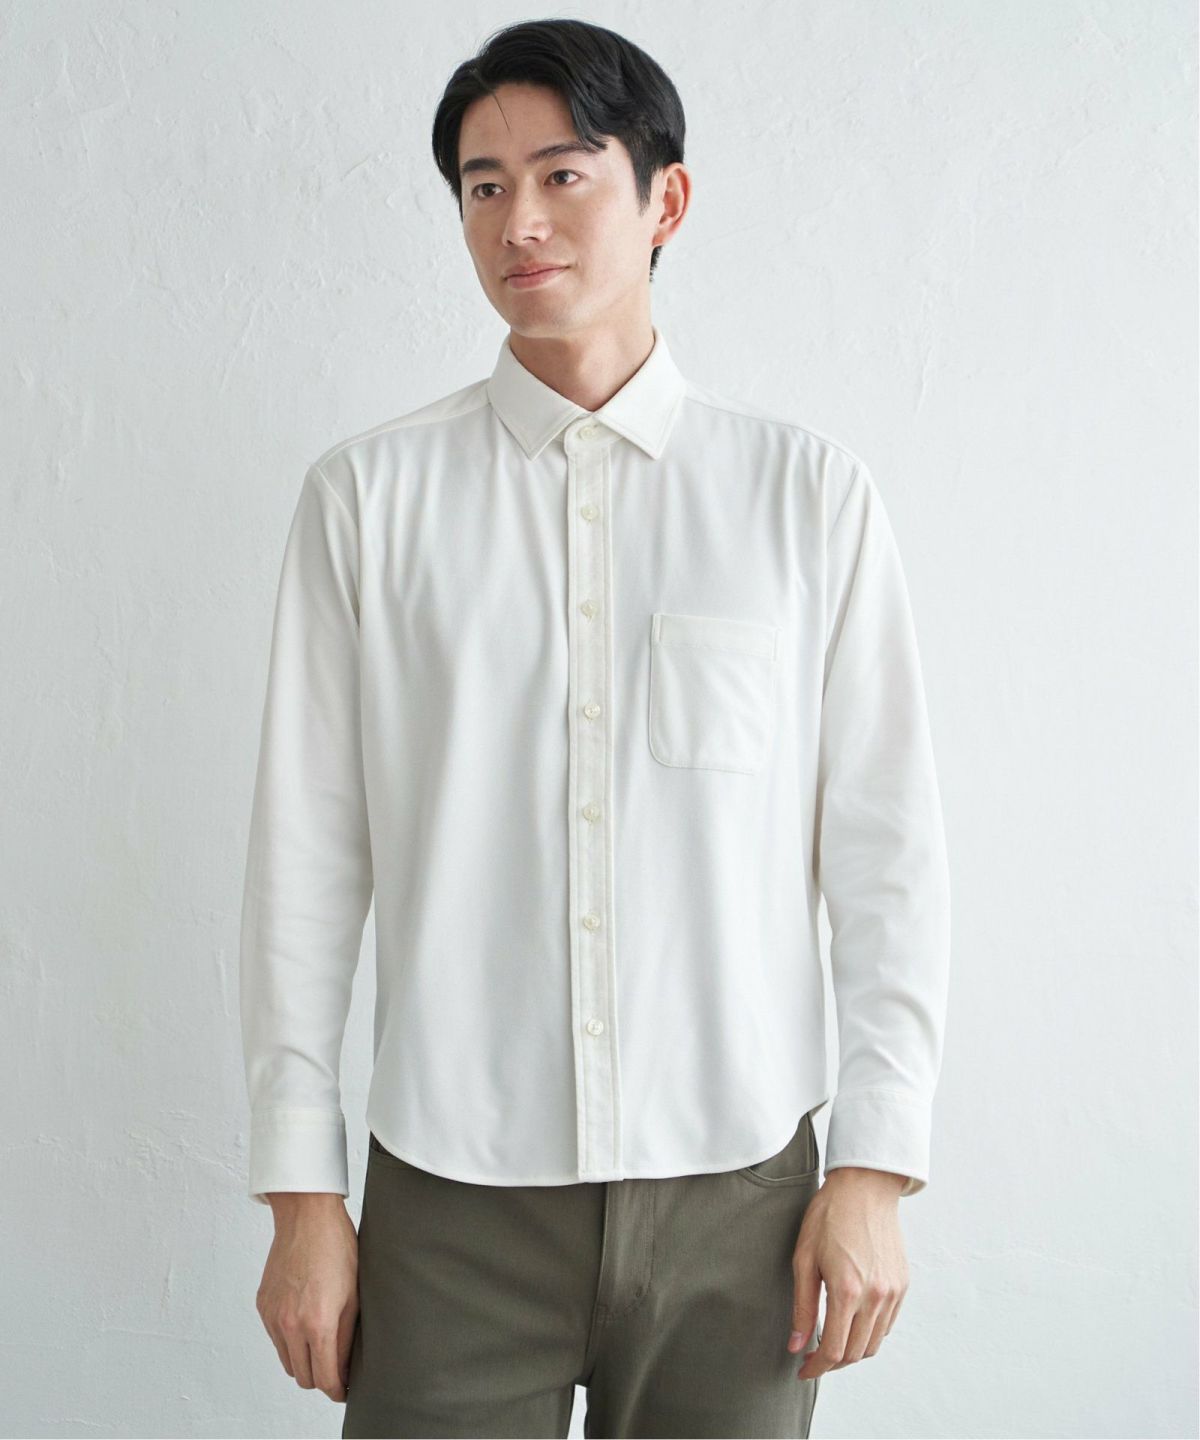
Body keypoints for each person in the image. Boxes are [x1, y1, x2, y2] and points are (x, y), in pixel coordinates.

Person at [238, 17, 951, 1439]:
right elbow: (302, 869)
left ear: (664, 199)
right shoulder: (368, 502)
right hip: (450, 1202)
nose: (519, 221)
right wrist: (303, 1197)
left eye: (564, 175)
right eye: (483, 186)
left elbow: (888, 860)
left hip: (740, 1205)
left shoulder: (805, 500)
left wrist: (873, 1169)